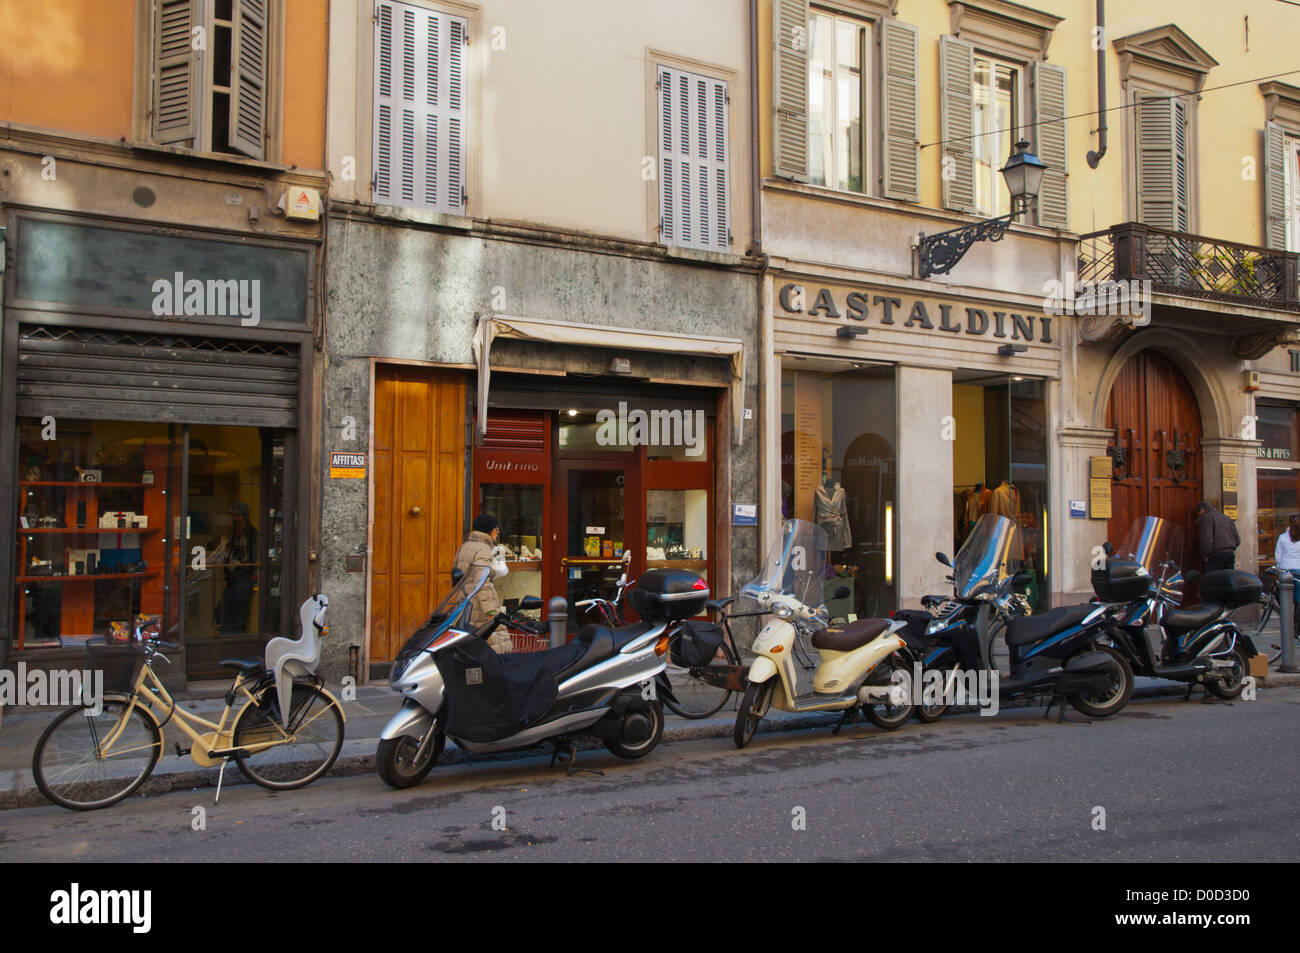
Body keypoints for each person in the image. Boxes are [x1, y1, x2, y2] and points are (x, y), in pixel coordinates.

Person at [453, 514, 512, 653]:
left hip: (464, 603)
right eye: (497, 530)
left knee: (470, 645)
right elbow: (482, 582)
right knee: (491, 646)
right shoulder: (484, 550)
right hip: (480, 606)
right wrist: (491, 612)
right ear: (491, 531)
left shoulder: (465, 546)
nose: (498, 533)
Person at [220, 500, 258, 633]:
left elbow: (254, 557)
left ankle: (234, 641)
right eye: (233, 515)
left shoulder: (251, 534)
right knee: (222, 612)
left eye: (238, 515)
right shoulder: (236, 533)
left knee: (237, 616)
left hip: (242, 580)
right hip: (233, 579)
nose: (234, 518)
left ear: (245, 516)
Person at [1195, 500, 1239, 572]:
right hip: (1230, 555)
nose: (1199, 516)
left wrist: (1205, 555)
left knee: (1212, 580)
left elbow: (1206, 540)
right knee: (1226, 580)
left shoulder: (1206, 517)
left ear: (1202, 510)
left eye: (1199, 514)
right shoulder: (1227, 518)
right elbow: (1237, 540)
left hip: (1215, 556)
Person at [1274, 515, 1300, 615]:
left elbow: (1278, 555)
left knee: (1284, 594)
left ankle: (1286, 616)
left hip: (1285, 570)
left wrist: (1280, 566)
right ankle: (1296, 621)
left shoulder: (1282, 537)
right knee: (1298, 596)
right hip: (1298, 570)